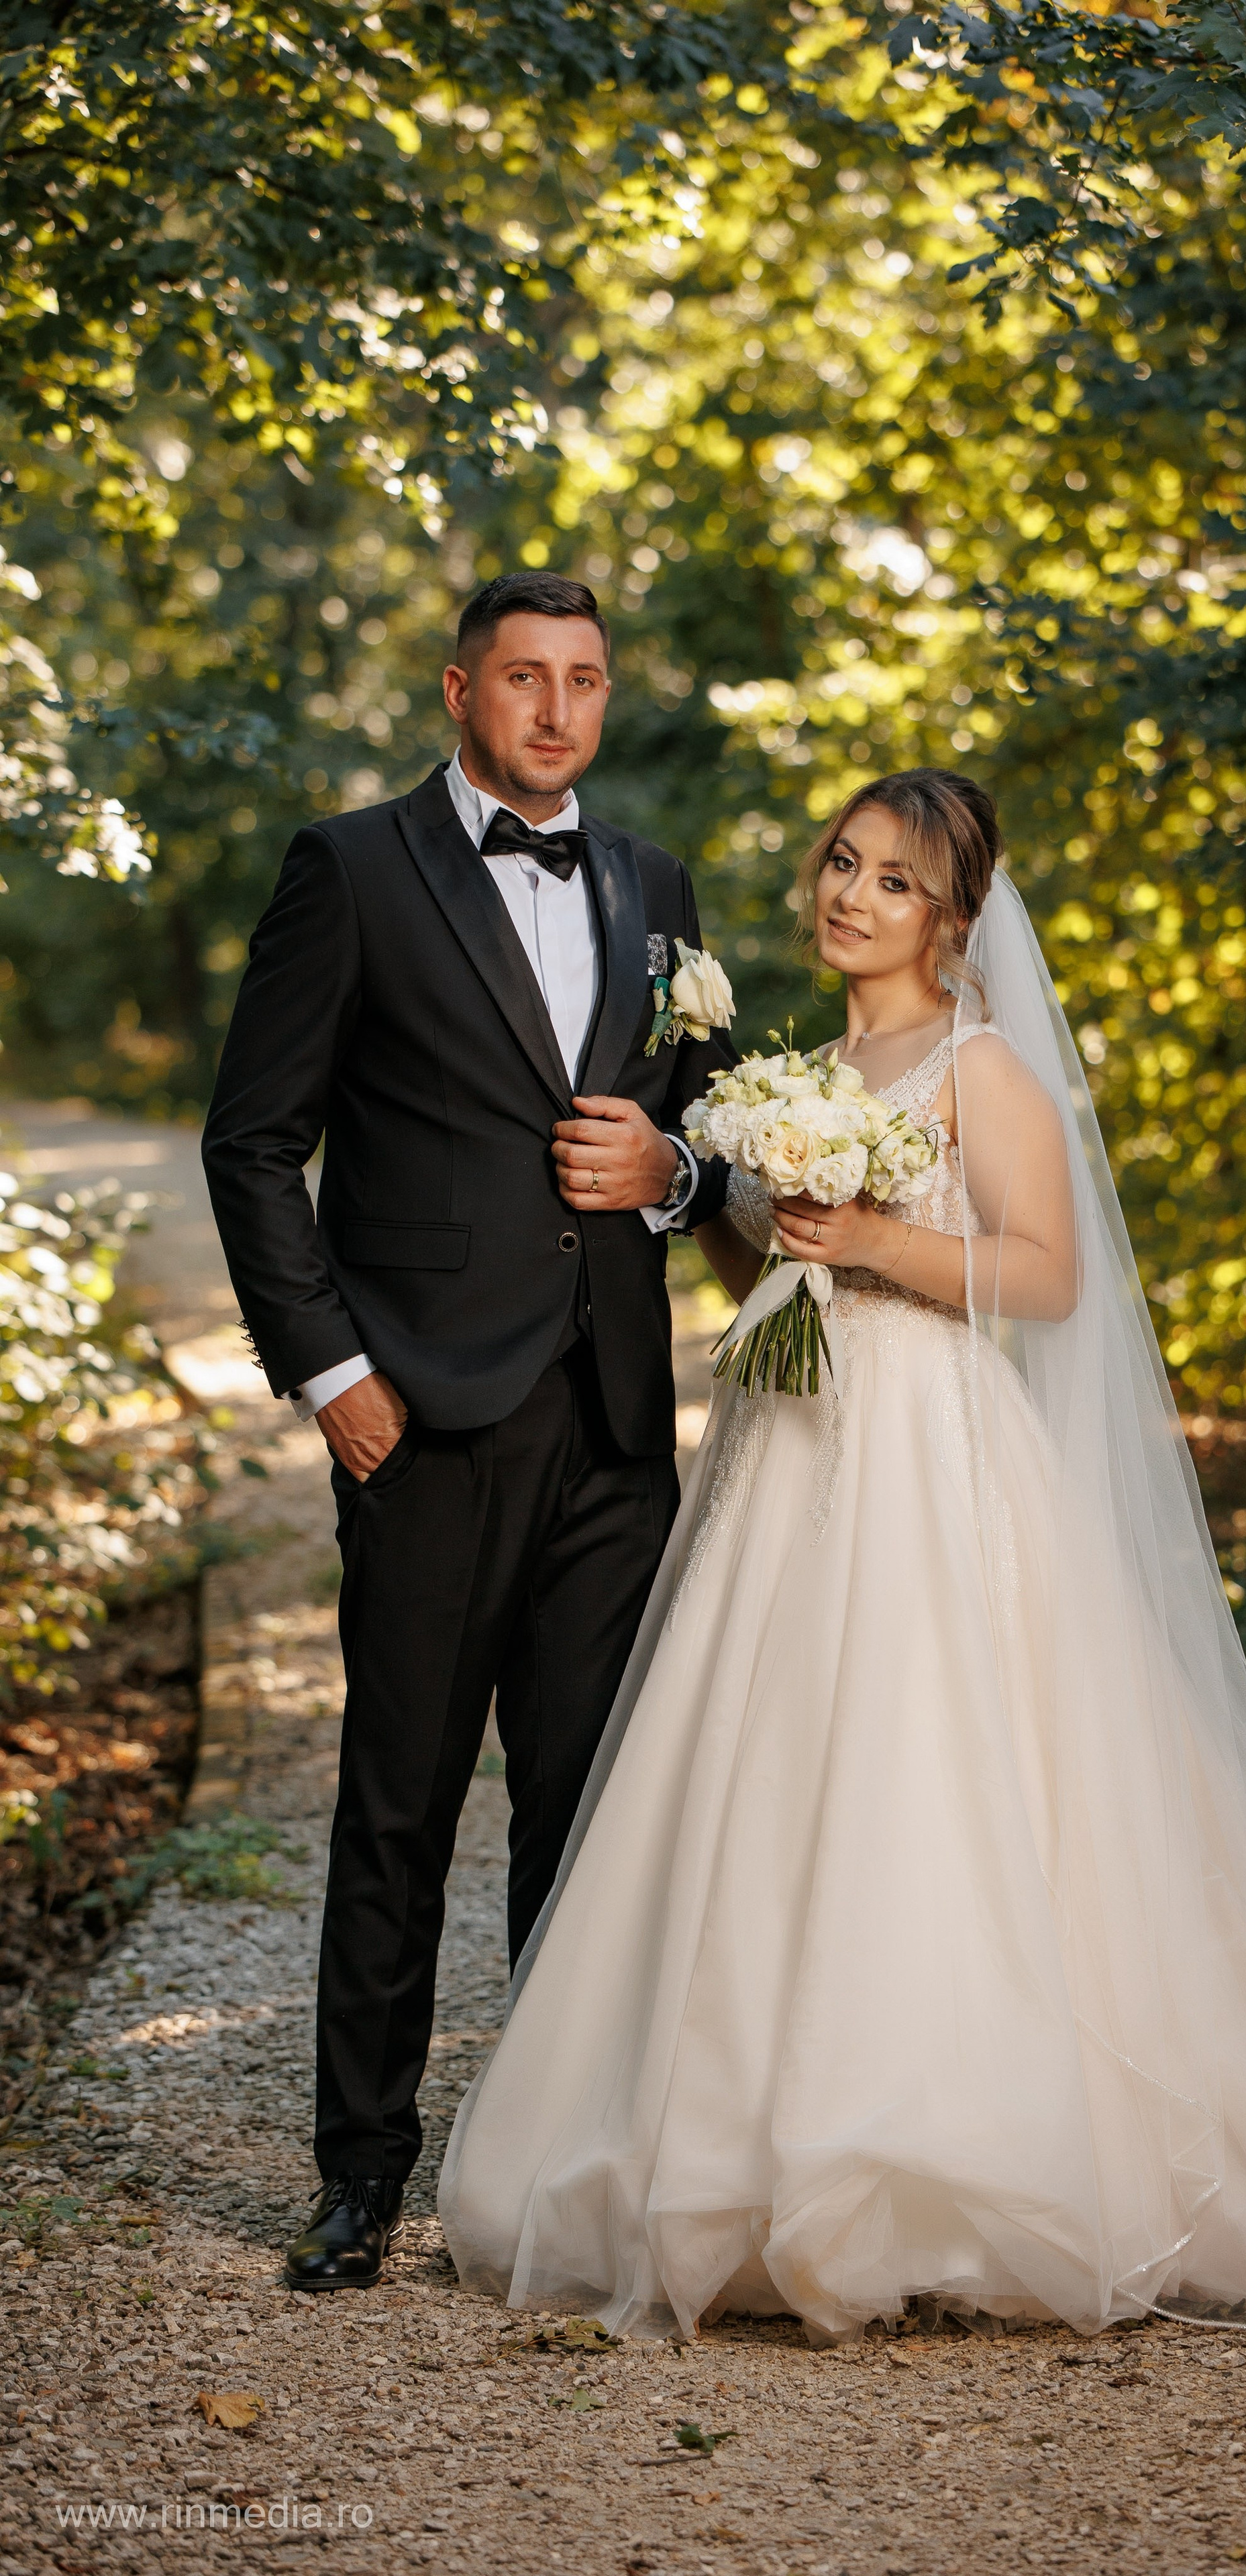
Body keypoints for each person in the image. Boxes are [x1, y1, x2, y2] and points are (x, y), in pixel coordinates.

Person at [438, 767, 1246, 2343]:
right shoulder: (823, 1063)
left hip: (933, 1451)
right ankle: (739, 2147)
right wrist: (747, 1212)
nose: (852, 897)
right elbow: (773, 1266)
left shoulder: (980, 1067)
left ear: (954, 916)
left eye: (895, 882)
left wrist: (868, 1241)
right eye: (842, 864)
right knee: (776, 1775)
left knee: (940, 1775)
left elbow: (1047, 1277)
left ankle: (961, 2153)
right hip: (793, 1449)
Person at [202, 573, 733, 2290]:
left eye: (583, 680)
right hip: (420, 1417)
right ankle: (359, 2175)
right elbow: (252, 1143)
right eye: (525, 678)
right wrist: (332, 1376)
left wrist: (674, 1182)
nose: (558, 709)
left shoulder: (655, 884)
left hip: (612, 1424)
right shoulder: (349, 871)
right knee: (402, 1809)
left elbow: (693, 1135)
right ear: (458, 691)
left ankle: (558, 2174)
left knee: (585, 1814)